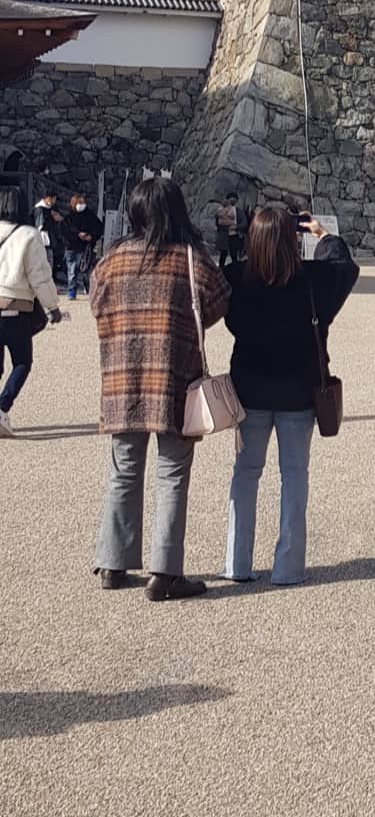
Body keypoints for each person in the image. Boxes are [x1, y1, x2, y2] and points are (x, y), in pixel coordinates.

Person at [91, 177, 229, 600]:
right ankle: (165, 573)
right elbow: (220, 301)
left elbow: (97, 305)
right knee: (172, 474)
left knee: (124, 470)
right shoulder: (191, 259)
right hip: (174, 377)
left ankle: (113, 563)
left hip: (122, 378)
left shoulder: (112, 260)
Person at [221, 207, 357, 586]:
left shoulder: (237, 279)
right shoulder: (314, 279)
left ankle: (237, 563)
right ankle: (288, 567)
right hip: (299, 389)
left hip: (250, 387)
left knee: (245, 475)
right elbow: (345, 266)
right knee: (294, 476)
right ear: (292, 239)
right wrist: (322, 234)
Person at [0, 187, 66, 435]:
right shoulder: (28, 235)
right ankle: (2, 406)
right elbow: (39, 276)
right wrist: (52, 307)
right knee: (22, 362)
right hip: (15, 310)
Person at [61, 192, 103, 300]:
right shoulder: (69, 218)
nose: (82, 204)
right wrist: (77, 235)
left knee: (86, 271)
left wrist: (92, 237)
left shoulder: (90, 216)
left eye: (83, 202)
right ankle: (72, 291)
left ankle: (88, 289)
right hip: (71, 247)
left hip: (85, 248)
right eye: (79, 202)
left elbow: (99, 228)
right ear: (74, 203)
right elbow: (64, 232)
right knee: (72, 270)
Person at [33, 189, 62, 269]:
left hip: (50, 239)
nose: (54, 201)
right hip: (42, 239)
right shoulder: (40, 209)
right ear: (49, 198)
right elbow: (39, 226)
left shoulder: (52, 208)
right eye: (54, 199)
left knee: (49, 262)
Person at [215, 192, 244, 269]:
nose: (232, 200)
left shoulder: (239, 211)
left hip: (234, 236)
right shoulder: (221, 210)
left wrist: (236, 227)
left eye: (234, 199)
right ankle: (221, 270)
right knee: (223, 255)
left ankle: (235, 270)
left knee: (234, 255)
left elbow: (244, 223)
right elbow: (217, 222)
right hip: (224, 235)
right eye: (231, 198)